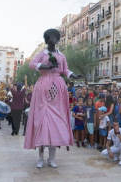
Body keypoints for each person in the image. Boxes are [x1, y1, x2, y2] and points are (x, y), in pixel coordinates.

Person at [24, 28, 82, 169]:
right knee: (43, 124)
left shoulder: (61, 55)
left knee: (55, 125)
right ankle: (40, 159)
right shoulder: (41, 53)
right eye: (50, 37)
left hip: (58, 86)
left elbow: (65, 70)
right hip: (44, 86)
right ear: (46, 39)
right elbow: (32, 64)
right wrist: (46, 66)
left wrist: (73, 75)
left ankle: (51, 159)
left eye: (55, 37)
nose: (53, 39)